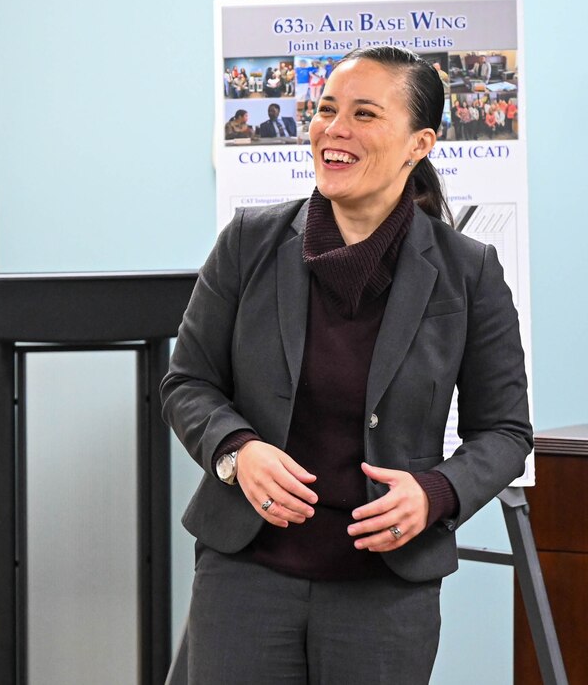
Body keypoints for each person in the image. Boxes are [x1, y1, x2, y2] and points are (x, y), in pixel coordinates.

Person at [162, 45, 531, 683]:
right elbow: (188, 382)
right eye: (327, 109)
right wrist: (237, 450)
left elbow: (505, 431)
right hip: (245, 578)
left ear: (420, 143)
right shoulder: (249, 243)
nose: (334, 130)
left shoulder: (469, 272)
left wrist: (436, 493)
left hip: (385, 593)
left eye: (364, 114)